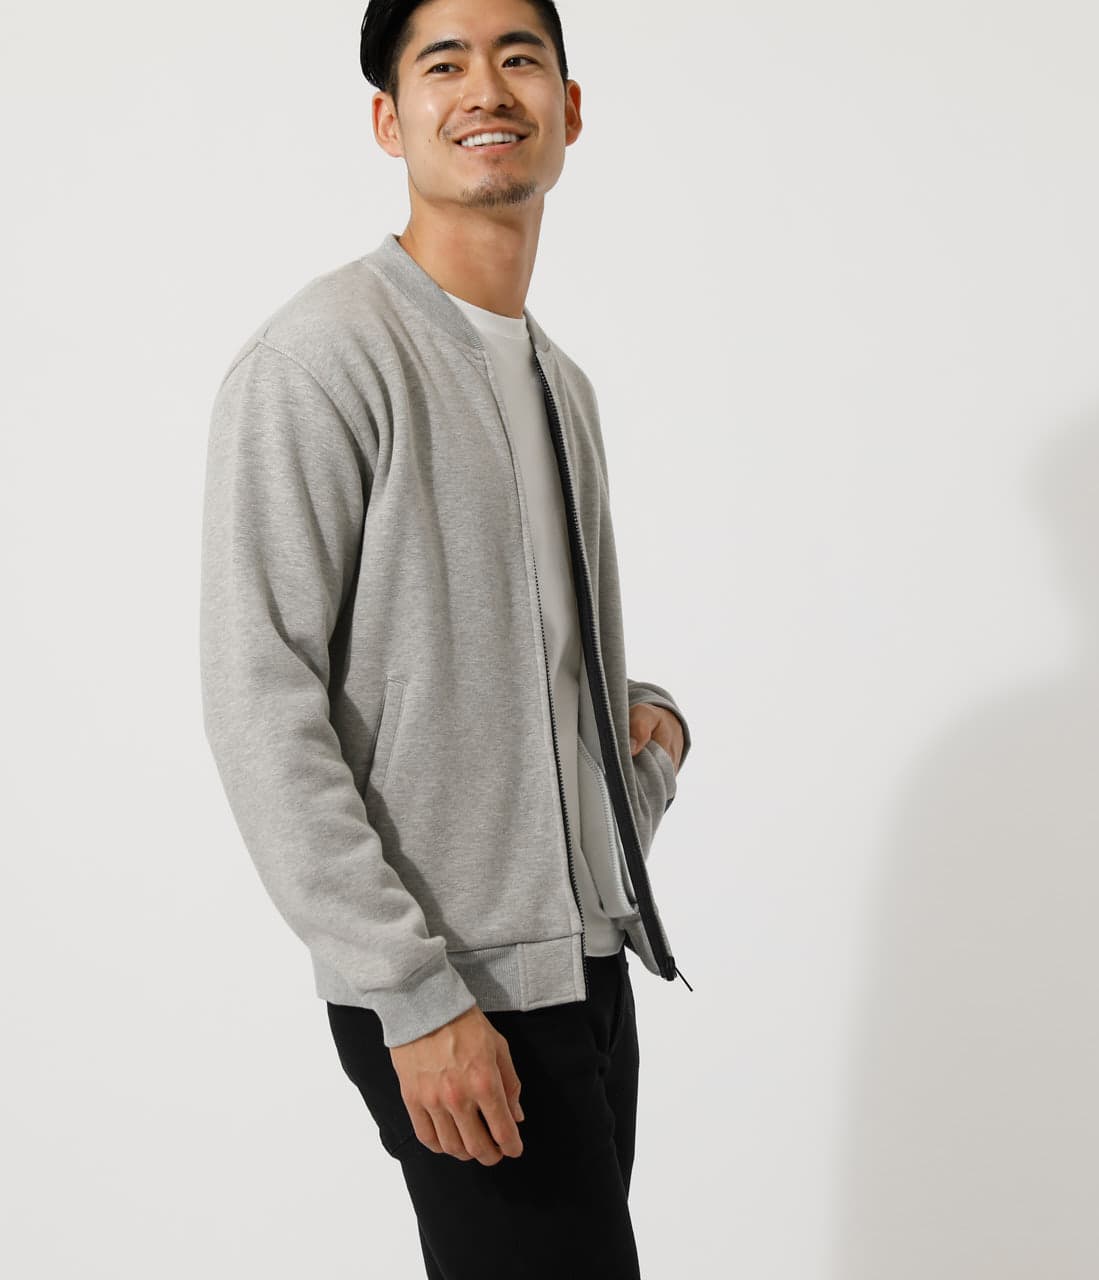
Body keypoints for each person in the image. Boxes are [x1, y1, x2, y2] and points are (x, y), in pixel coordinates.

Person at [199, 1, 693, 1275]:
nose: (487, 88)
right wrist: (412, 997)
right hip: (452, 982)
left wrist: (645, 751)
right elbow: (262, 698)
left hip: (588, 971)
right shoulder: (319, 360)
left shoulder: (560, 384)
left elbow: (529, 670)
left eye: (520, 57)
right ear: (390, 119)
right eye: (444, 62)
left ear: (568, 110)